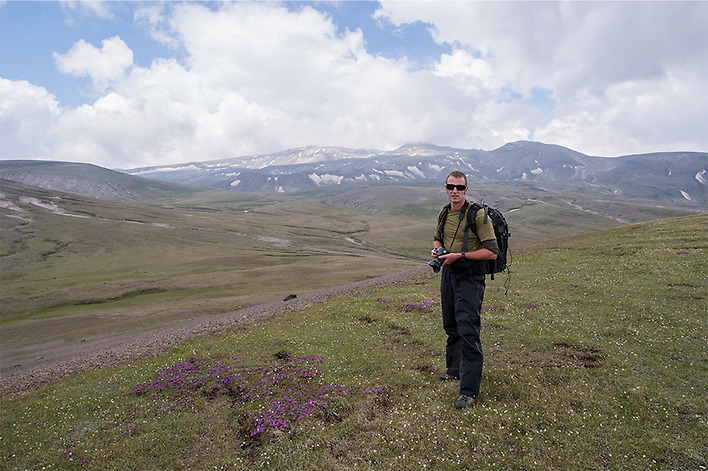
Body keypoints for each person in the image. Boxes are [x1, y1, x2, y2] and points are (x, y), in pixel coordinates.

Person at [431, 171, 499, 409]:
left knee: (468, 330)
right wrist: (438, 251)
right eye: (451, 187)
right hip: (449, 274)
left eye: (459, 187)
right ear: (446, 188)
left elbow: (492, 251)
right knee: (451, 325)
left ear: (466, 189)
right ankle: (453, 370)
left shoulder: (477, 215)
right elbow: (438, 238)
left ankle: (469, 391)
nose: (455, 191)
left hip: (470, 277)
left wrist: (459, 256)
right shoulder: (444, 212)